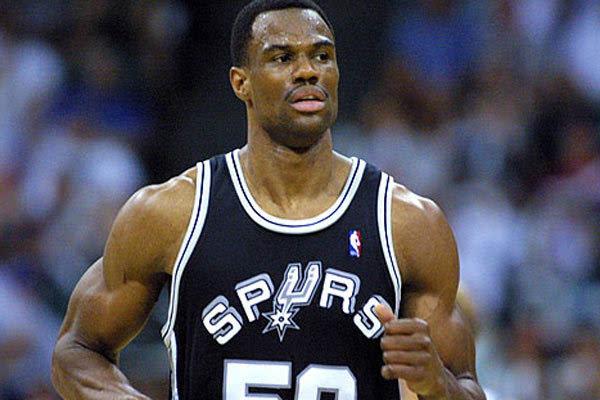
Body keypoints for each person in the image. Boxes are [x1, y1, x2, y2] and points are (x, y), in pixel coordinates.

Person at [51, 1, 486, 399]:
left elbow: (468, 387)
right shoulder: (172, 213)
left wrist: (438, 384)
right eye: (282, 58)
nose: (308, 71)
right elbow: (77, 350)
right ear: (241, 83)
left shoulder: (406, 223)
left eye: (322, 56)